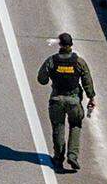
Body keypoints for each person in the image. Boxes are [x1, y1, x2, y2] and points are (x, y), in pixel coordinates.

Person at [37, 32, 96, 172]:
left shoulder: (52, 61)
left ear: (60, 45)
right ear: (71, 45)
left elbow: (42, 79)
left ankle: (58, 158)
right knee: (75, 125)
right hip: (74, 101)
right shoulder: (79, 62)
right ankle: (72, 156)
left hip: (56, 100)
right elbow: (87, 81)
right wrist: (91, 97)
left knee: (58, 127)